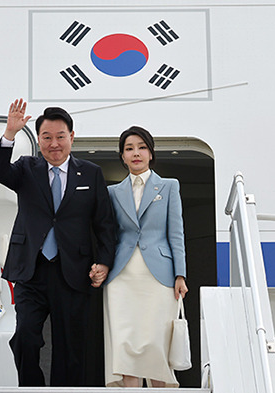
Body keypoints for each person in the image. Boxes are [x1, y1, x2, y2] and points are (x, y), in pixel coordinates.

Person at [0, 98, 115, 387]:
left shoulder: (91, 173)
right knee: (26, 337)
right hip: (31, 271)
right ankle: (31, 388)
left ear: (72, 137)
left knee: (71, 348)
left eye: (60, 137)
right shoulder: (26, 168)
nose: (53, 144)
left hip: (73, 271)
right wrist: (10, 133)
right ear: (39, 140)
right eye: (46, 137)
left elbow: (104, 223)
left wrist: (105, 262)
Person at [98, 126, 188, 388]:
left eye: (141, 147)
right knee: (125, 345)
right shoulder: (112, 192)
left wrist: (180, 274)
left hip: (160, 276)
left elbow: (176, 233)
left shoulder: (170, 186)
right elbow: (107, 234)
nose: (136, 153)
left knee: (155, 343)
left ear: (150, 153)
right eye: (129, 148)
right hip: (121, 276)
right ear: (122, 157)